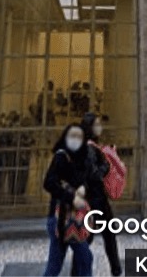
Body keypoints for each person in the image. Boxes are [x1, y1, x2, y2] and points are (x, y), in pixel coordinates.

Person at [43, 124, 100, 277]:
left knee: (56, 265)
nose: (75, 140)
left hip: (76, 218)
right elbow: (49, 182)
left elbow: (89, 179)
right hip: (61, 218)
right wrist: (71, 197)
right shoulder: (61, 156)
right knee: (84, 259)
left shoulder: (82, 158)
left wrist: (84, 188)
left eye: (79, 136)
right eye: (72, 135)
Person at [72, 113, 119, 277]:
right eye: (97, 124)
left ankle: (115, 268)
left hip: (92, 198)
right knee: (99, 236)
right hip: (96, 199)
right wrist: (107, 164)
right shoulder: (90, 148)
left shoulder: (85, 146)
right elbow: (94, 174)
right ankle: (116, 269)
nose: (100, 127)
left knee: (95, 236)